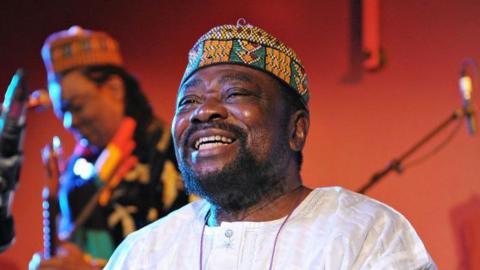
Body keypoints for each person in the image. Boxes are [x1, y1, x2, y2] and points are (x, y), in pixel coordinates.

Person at [104, 21, 437, 269]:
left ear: (296, 129)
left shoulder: (364, 233)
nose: (203, 112)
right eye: (188, 101)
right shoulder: (144, 252)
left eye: (235, 93)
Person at [29, 26, 190, 269]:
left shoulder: (172, 154)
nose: (70, 122)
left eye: (78, 106)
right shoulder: (77, 171)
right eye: (63, 112)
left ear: (114, 88)